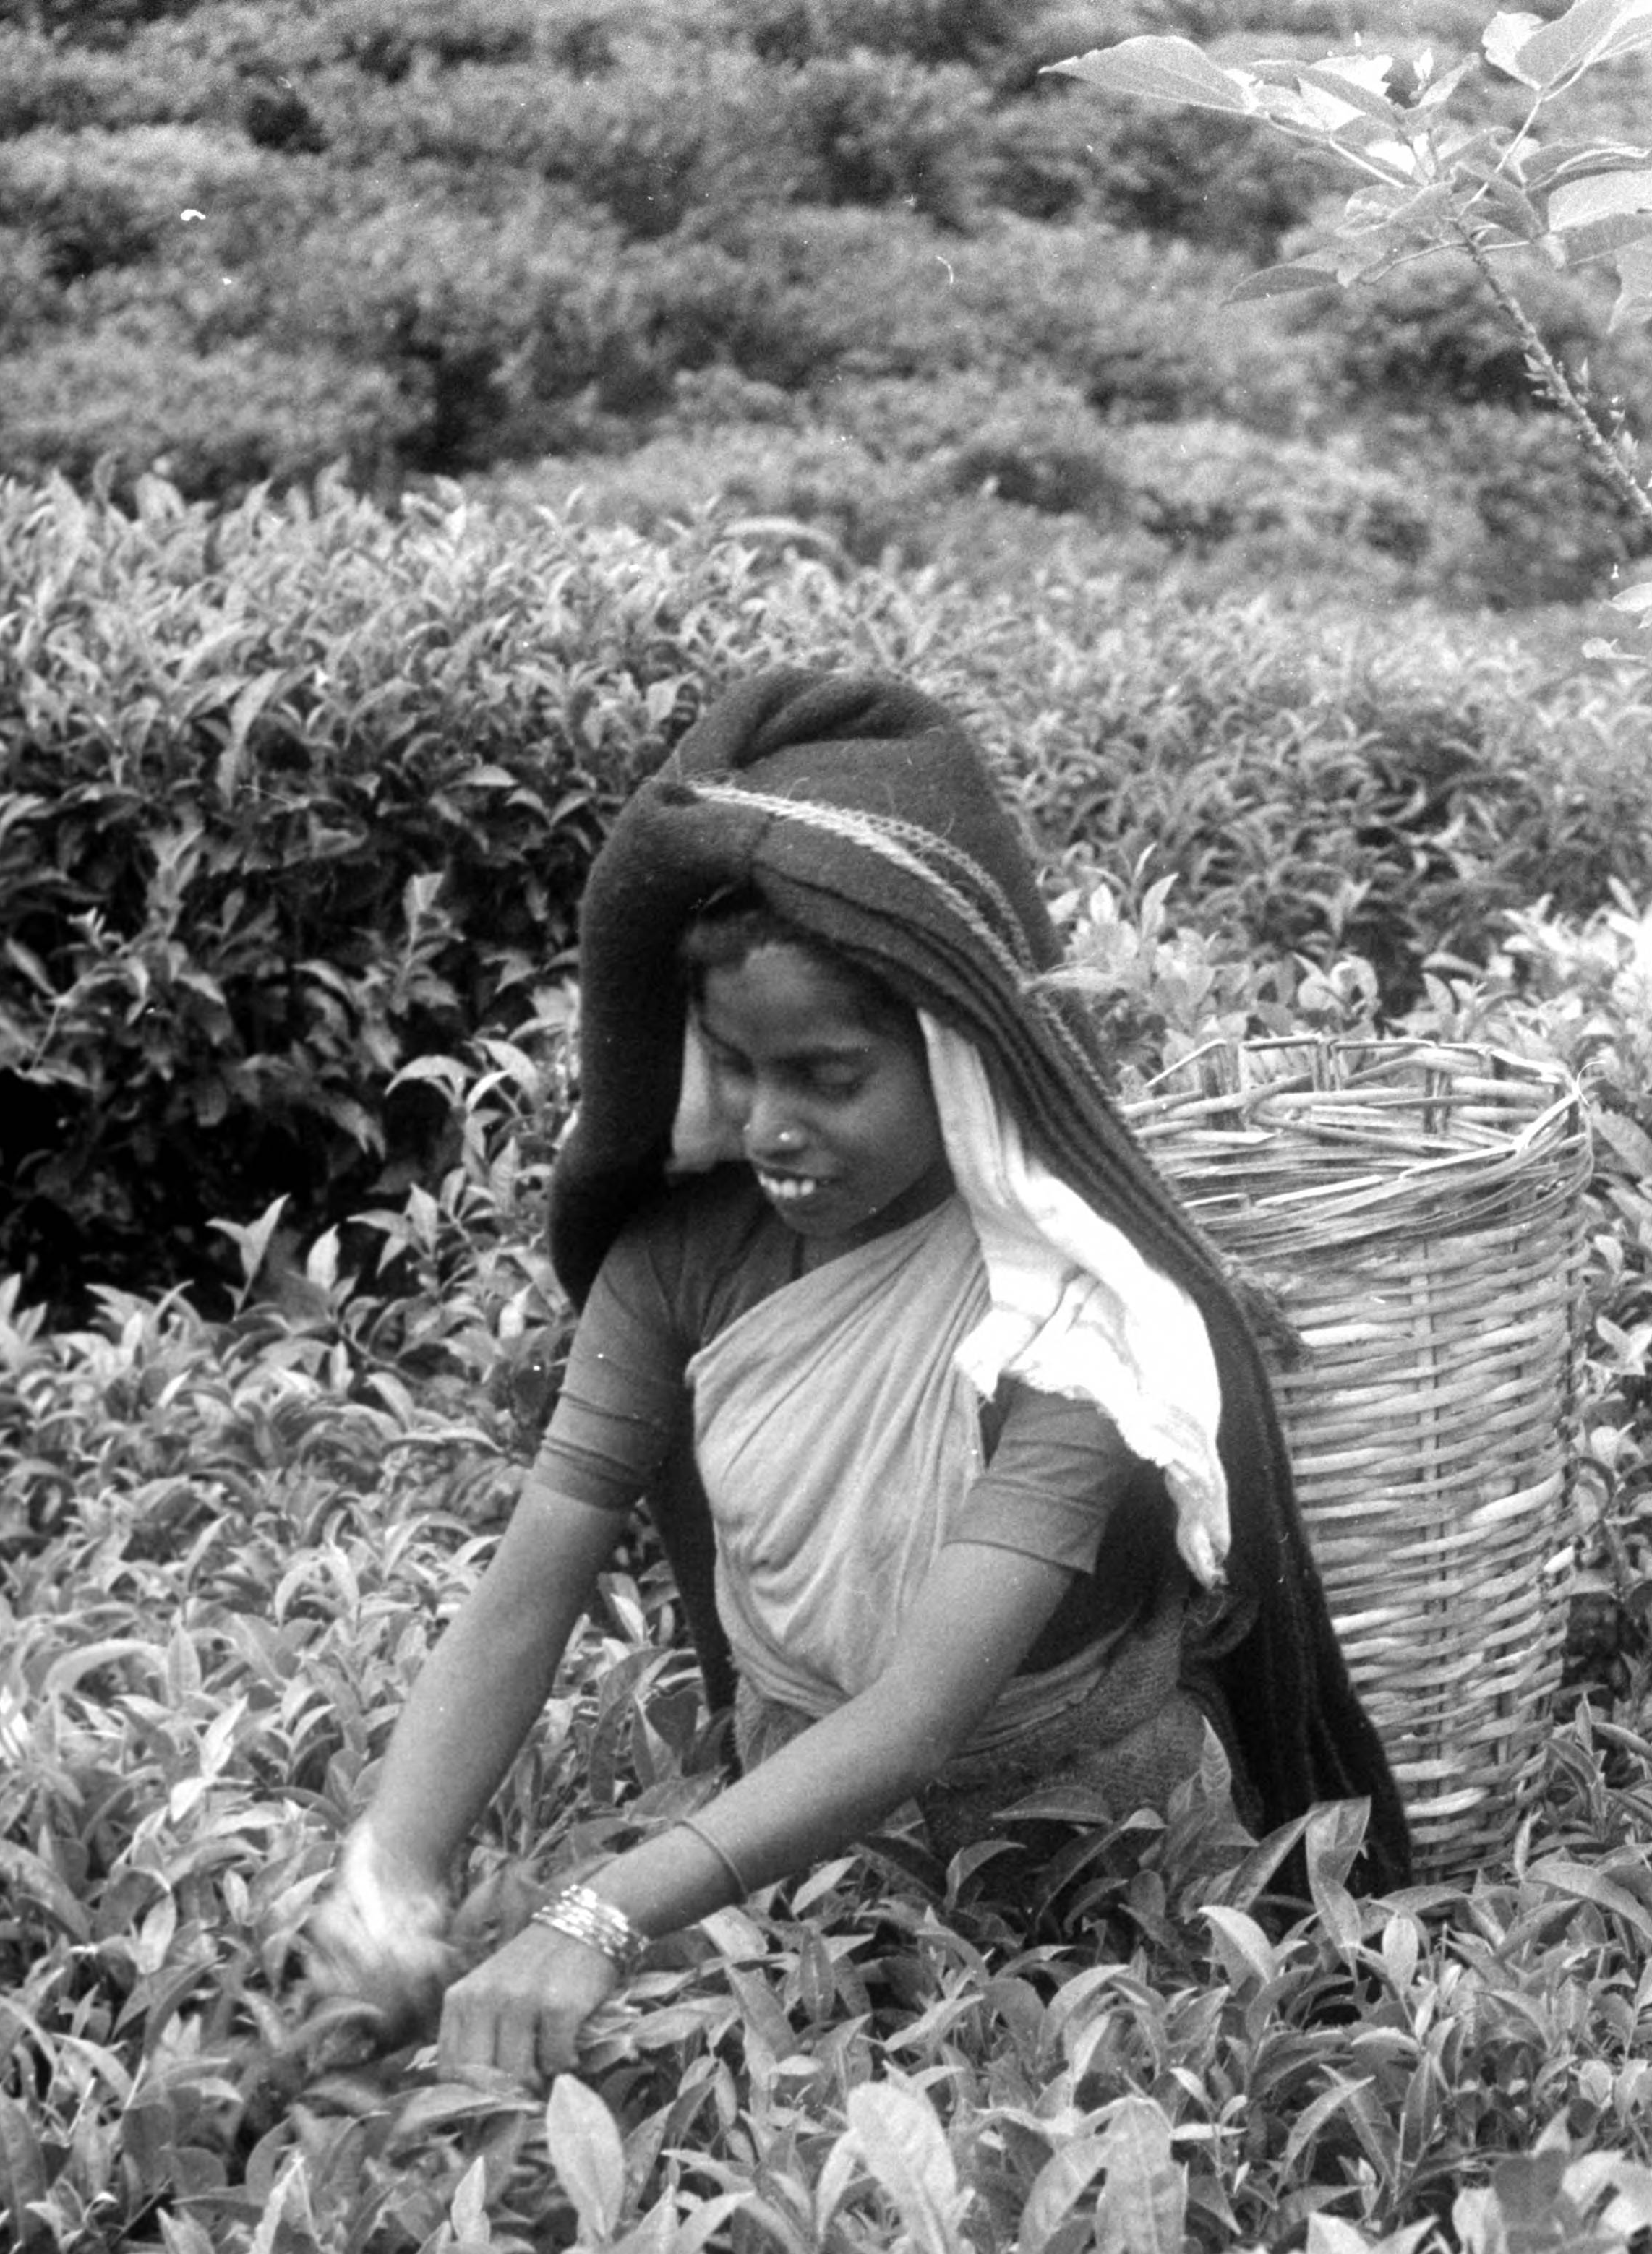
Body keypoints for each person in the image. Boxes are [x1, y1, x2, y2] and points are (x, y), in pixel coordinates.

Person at [304, 667, 1402, 2080]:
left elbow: (918, 1714)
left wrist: (599, 1910)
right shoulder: (685, 1258)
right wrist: (392, 1870)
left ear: (956, 1060)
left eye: (828, 1077)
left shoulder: (1070, 1320)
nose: (772, 1126)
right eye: (736, 1069)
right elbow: (535, 1579)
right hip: (791, 1852)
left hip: (1095, 1859)